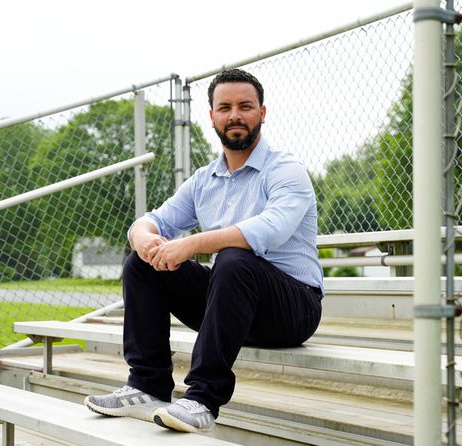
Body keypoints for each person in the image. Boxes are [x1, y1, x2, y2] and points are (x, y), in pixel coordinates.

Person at [84, 68, 324, 433]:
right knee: (142, 264)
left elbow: (270, 230)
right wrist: (144, 237)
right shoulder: (204, 179)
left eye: (245, 106)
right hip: (232, 305)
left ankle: (202, 399)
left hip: (292, 309)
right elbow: (152, 220)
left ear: (262, 112)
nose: (235, 115)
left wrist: (191, 244)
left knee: (233, 257)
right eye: (224, 107)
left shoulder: (285, 169)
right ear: (212, 116)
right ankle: (147, 385)